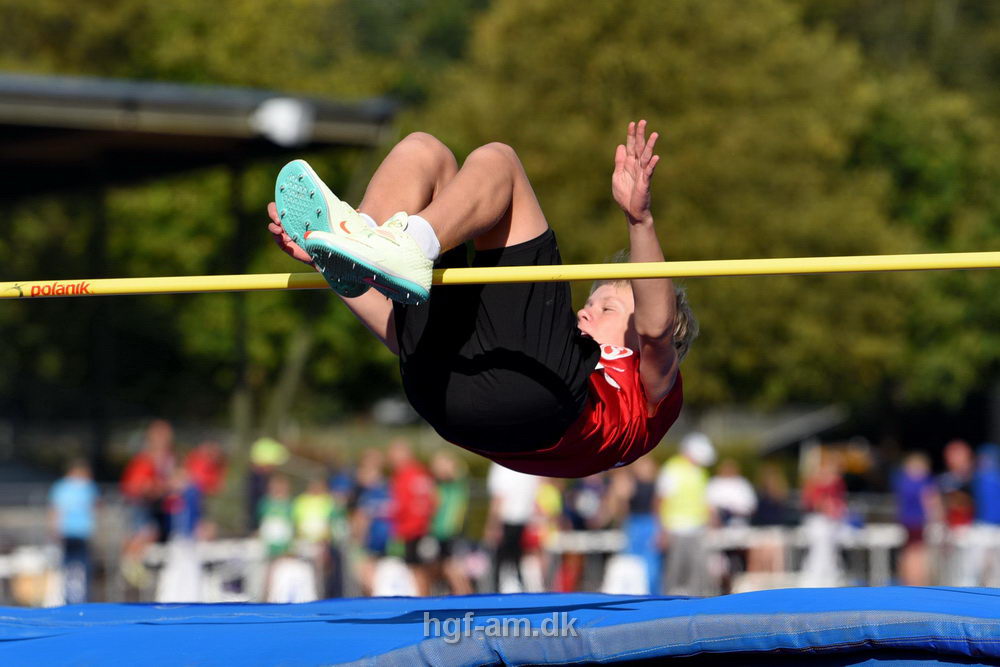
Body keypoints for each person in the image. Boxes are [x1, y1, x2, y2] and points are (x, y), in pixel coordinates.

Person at [268, 121, 695, 479]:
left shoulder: (649, 388)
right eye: (593, 300)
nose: (586, 309)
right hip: (442, 392)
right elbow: (405, 335)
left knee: (501, 161)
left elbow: (656, 328)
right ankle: (356, 238)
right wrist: (330, 267)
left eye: (607, 309)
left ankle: (403, 243)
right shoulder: (564, 340)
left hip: (544, 396)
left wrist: (639, 219)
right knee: (426, 151)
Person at [656, 432, 716, 596]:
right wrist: (662, 530)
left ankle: (696, 607)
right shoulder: (673, 468)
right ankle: (668, 607)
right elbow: (661, 500)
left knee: (698, 572)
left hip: (697, 529)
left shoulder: (700, 472)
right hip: (676, 529)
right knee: (674, 572)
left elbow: (703, 501)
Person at [48, 460, 99, 604]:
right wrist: (55, 529)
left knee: (81, 567)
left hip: (82, 532)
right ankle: (69, 597)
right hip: (70, 532)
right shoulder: (66, 487)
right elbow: (56, 510)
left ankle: (81, 597)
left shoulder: (86, 486)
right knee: (70, 566)